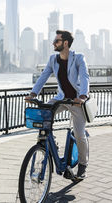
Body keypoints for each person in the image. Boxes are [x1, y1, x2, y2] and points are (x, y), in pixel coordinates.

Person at [25, 30, 90, 179]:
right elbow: (43, 76)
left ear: (65, 43)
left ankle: (82, 165)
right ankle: (50, 143)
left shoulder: (78, 58)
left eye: (57, 41)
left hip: (76, 101)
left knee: (80, 135)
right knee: (43, 115)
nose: (53, 43)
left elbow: (85, 77)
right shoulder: (53, 59)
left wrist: (82, 96)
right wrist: (33, 94)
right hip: (61, 99)